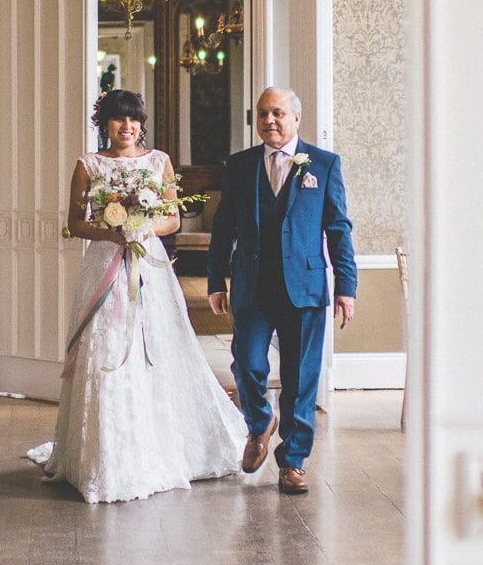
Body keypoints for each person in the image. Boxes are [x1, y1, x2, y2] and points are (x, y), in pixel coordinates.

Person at [27, 89, 247, 503]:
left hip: (148, 266)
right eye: (117, 120)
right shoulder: (87, 165)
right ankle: (101, 455)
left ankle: (160, 447)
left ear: (141, 124)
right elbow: (76, 222)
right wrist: (114, 232)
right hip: (104, 266)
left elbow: (172, 218)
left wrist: (142, 228)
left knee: (157, 345)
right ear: (105, 124)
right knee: (105, 345)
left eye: (132, 120)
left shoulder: (158, 162)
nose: (126, 127)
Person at [207, 87, 357, 495]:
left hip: (305, 288)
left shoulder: (323, 164)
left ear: (296, 118)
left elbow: (338, 228)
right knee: (248, 363)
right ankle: (260, 423)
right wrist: (215, 279)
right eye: (262, 114)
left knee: (300, 377)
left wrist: (346, 285)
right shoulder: (239, 166)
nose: (269, 120)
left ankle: (293, 461)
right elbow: (223, 228)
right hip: (253, 286)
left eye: (277, 113)